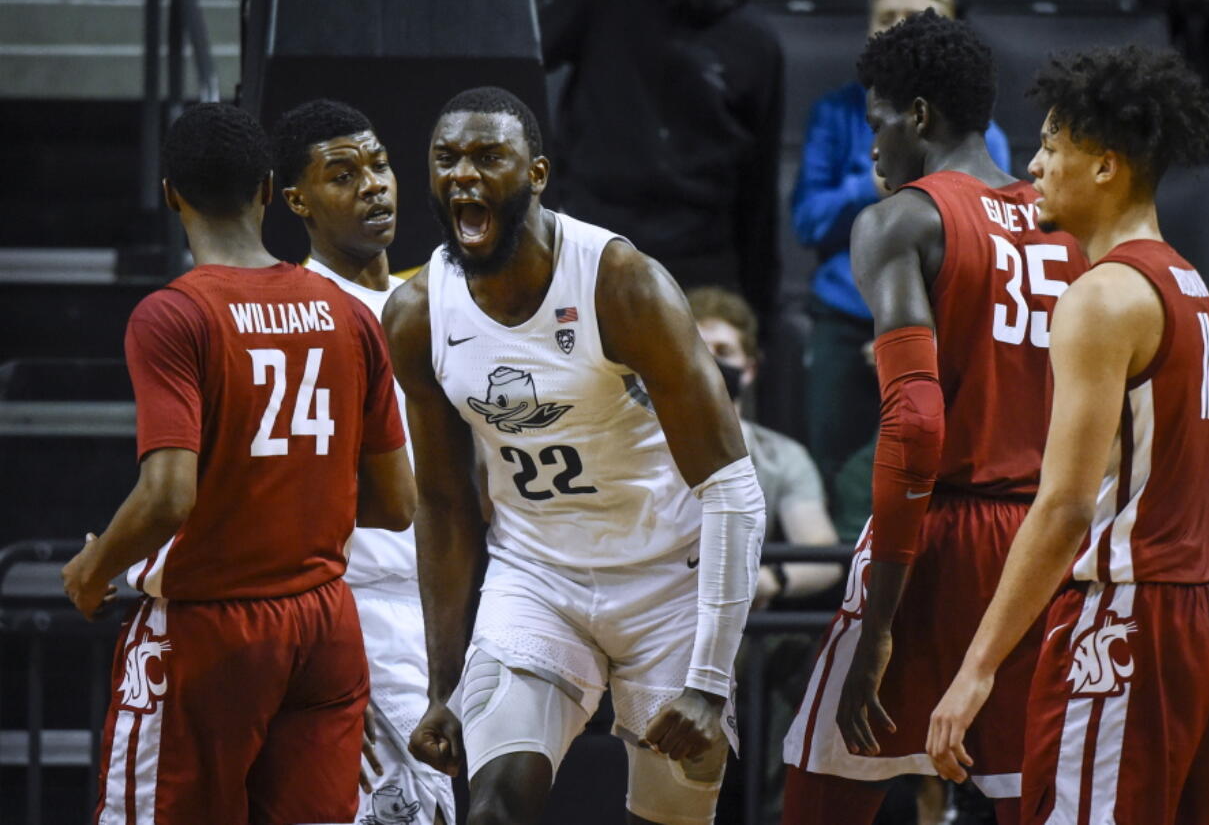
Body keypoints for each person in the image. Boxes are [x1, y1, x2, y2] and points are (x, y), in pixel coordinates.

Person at [382, 86, 765, 825]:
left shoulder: (621, 283)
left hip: (667, 578)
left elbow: (732, 490)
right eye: (446, 159)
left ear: (537, 174)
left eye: (489, 157)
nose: (464, 174)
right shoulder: (418, 312)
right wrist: (443, 686)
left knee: (669, 818)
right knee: (493, 809)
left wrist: (711, 682)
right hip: (540, 577)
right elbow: (444, 503)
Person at [59, 103, 414, 823]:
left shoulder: (174, 314)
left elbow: (168, 497)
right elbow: (398, 504)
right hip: (324, 628)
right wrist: (295, 506)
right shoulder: (344, 313)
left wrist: (92, 573)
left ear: (171, 194)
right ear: (267, 189)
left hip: (210, 631)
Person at [779, 13, 1087, 825]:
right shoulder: (1069, 230)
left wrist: (880, 618)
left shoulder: (900, 220)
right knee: (1032, 800)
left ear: (916, 116)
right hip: (1043, 545)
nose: (872, 144)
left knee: (821, 789)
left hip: (937, 537)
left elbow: (915, 424)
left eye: (877, 118)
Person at [927, 46, 1209, 825]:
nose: (1031, 165)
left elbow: (1062, 508)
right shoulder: (1193, 287)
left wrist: (977, 667)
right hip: (1199, 615)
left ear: (1105, 166)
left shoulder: (1101, 298)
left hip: (1126, 616)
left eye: (1052, 147)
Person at [272, 98, 455, 825]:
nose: (373, 185)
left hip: (445, 603)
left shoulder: (441, 293)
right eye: (343, 175)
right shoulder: (304, 311)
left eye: (378, 165)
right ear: (298, 202)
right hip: (360, 604)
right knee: (403, 811)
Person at [793, 0, 1011, 526]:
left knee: (940, 473)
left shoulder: (985, 138)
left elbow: (986, 251)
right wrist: (861, 191)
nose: (902, 25)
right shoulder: (832, 112)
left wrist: (914, 334)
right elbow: (807, 220)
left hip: (946, 330)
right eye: (887, 15)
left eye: (918, 12)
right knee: (836, 480)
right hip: (845, 318)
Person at [539, 0, 783, 318]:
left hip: (700, 268)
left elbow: (759, 188)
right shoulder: (603, 8)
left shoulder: (756, 42)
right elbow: (518, 55)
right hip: (590, 249)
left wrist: (760, 317)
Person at [687, 284, 840, 604]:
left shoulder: (783, 457)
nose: (709, 363)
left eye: (723, 352)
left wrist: (769, 581)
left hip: (734, 629)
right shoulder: (633, 445)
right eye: (697, 351)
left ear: (750, 369)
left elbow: (823, 557)